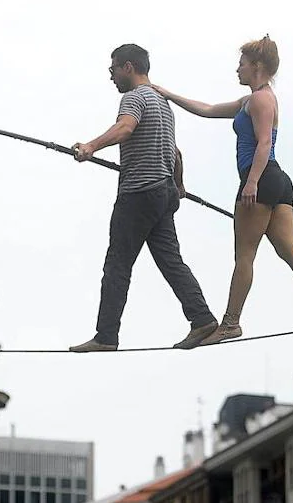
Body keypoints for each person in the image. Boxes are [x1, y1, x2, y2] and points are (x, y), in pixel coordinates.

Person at [154, 35, 293, 345]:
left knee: (245, 255)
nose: (236, 69)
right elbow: (208, 109)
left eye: (240, 64)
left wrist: (251, 182)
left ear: (256, 66)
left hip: (262, 179)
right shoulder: (249, 101)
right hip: (277, 182)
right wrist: (168, 94)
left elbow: (264, 141)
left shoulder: (263, 99)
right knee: (287, 249)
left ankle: (230, 323)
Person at [68, 44, 219, 352]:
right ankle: (202, 318)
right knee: (171, 261)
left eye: (112, 70)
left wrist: (91, 147)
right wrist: (179, 187)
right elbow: (175, 152)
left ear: (128, 67)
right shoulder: (163, 104)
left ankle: (106, 336)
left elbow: (125, 128)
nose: (111, 78)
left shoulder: (134, 97)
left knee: (117, 265)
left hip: (138, 193)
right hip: (163, 193)